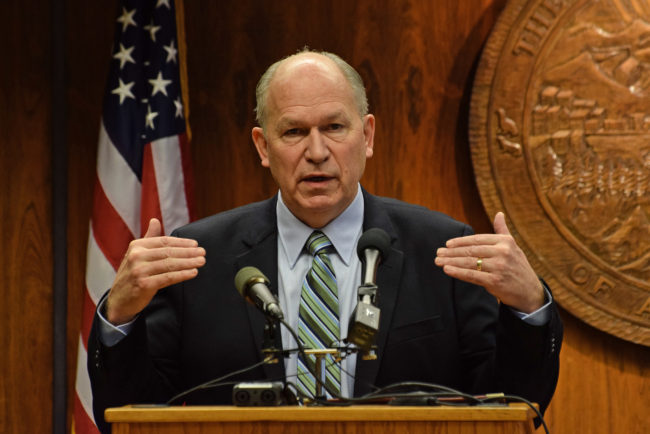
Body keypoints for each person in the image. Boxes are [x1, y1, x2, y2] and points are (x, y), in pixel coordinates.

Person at [88, 49, 562, 433]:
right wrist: (120, 317)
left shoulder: (442, 250)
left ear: (367, 134)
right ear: (262, 146)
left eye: (334, 128)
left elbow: (514, 403)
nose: (317, 152)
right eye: (294, 131)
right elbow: (133, 410)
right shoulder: (199, 259)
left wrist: (528, 307)